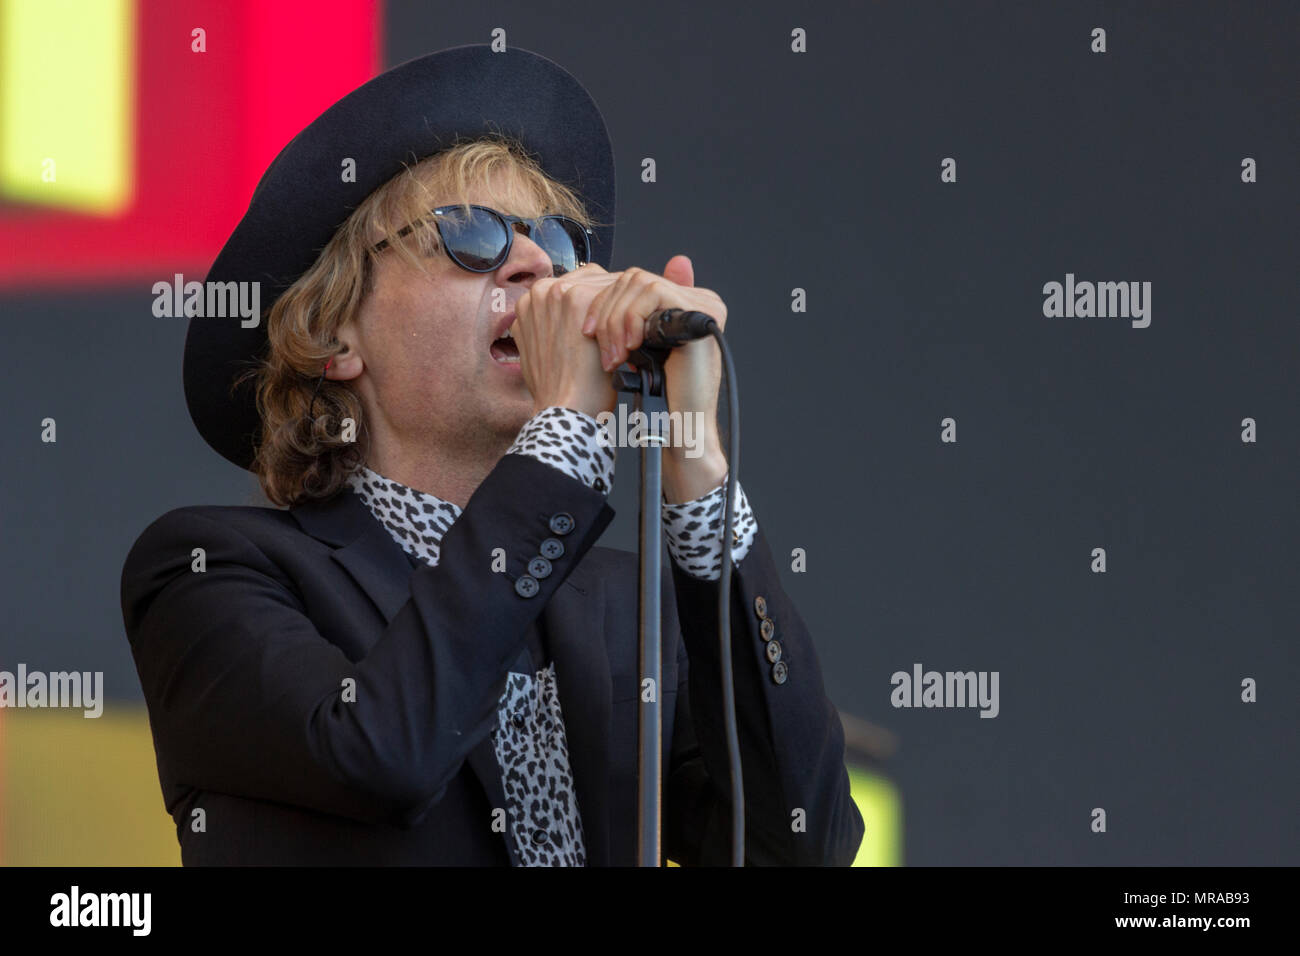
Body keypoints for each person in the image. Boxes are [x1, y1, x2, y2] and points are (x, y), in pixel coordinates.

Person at [120, 43, 863, 866]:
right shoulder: (208, 570)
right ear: (333, 332)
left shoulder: (628, 604)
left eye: (554, 238)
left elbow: (805, 845)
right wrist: (569, 425)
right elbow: (382, 753)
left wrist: (696, 464)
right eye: (470, 234)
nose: (538, 264)